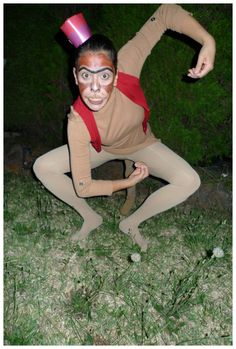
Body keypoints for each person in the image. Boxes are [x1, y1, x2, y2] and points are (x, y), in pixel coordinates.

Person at [33, 4, 216, 251]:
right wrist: (126, 183)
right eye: (86, 76)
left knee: (189, 180)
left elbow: (165, 12)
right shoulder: (77, 121)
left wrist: (208, 41)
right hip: (103, 149)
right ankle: (90, 217)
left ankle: (132, 223)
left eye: (105, 76)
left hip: (142, 144)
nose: (95, 88)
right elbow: (83, 186)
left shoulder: (127, 66)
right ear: (75, 78)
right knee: (42, 166)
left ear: (116, 76)